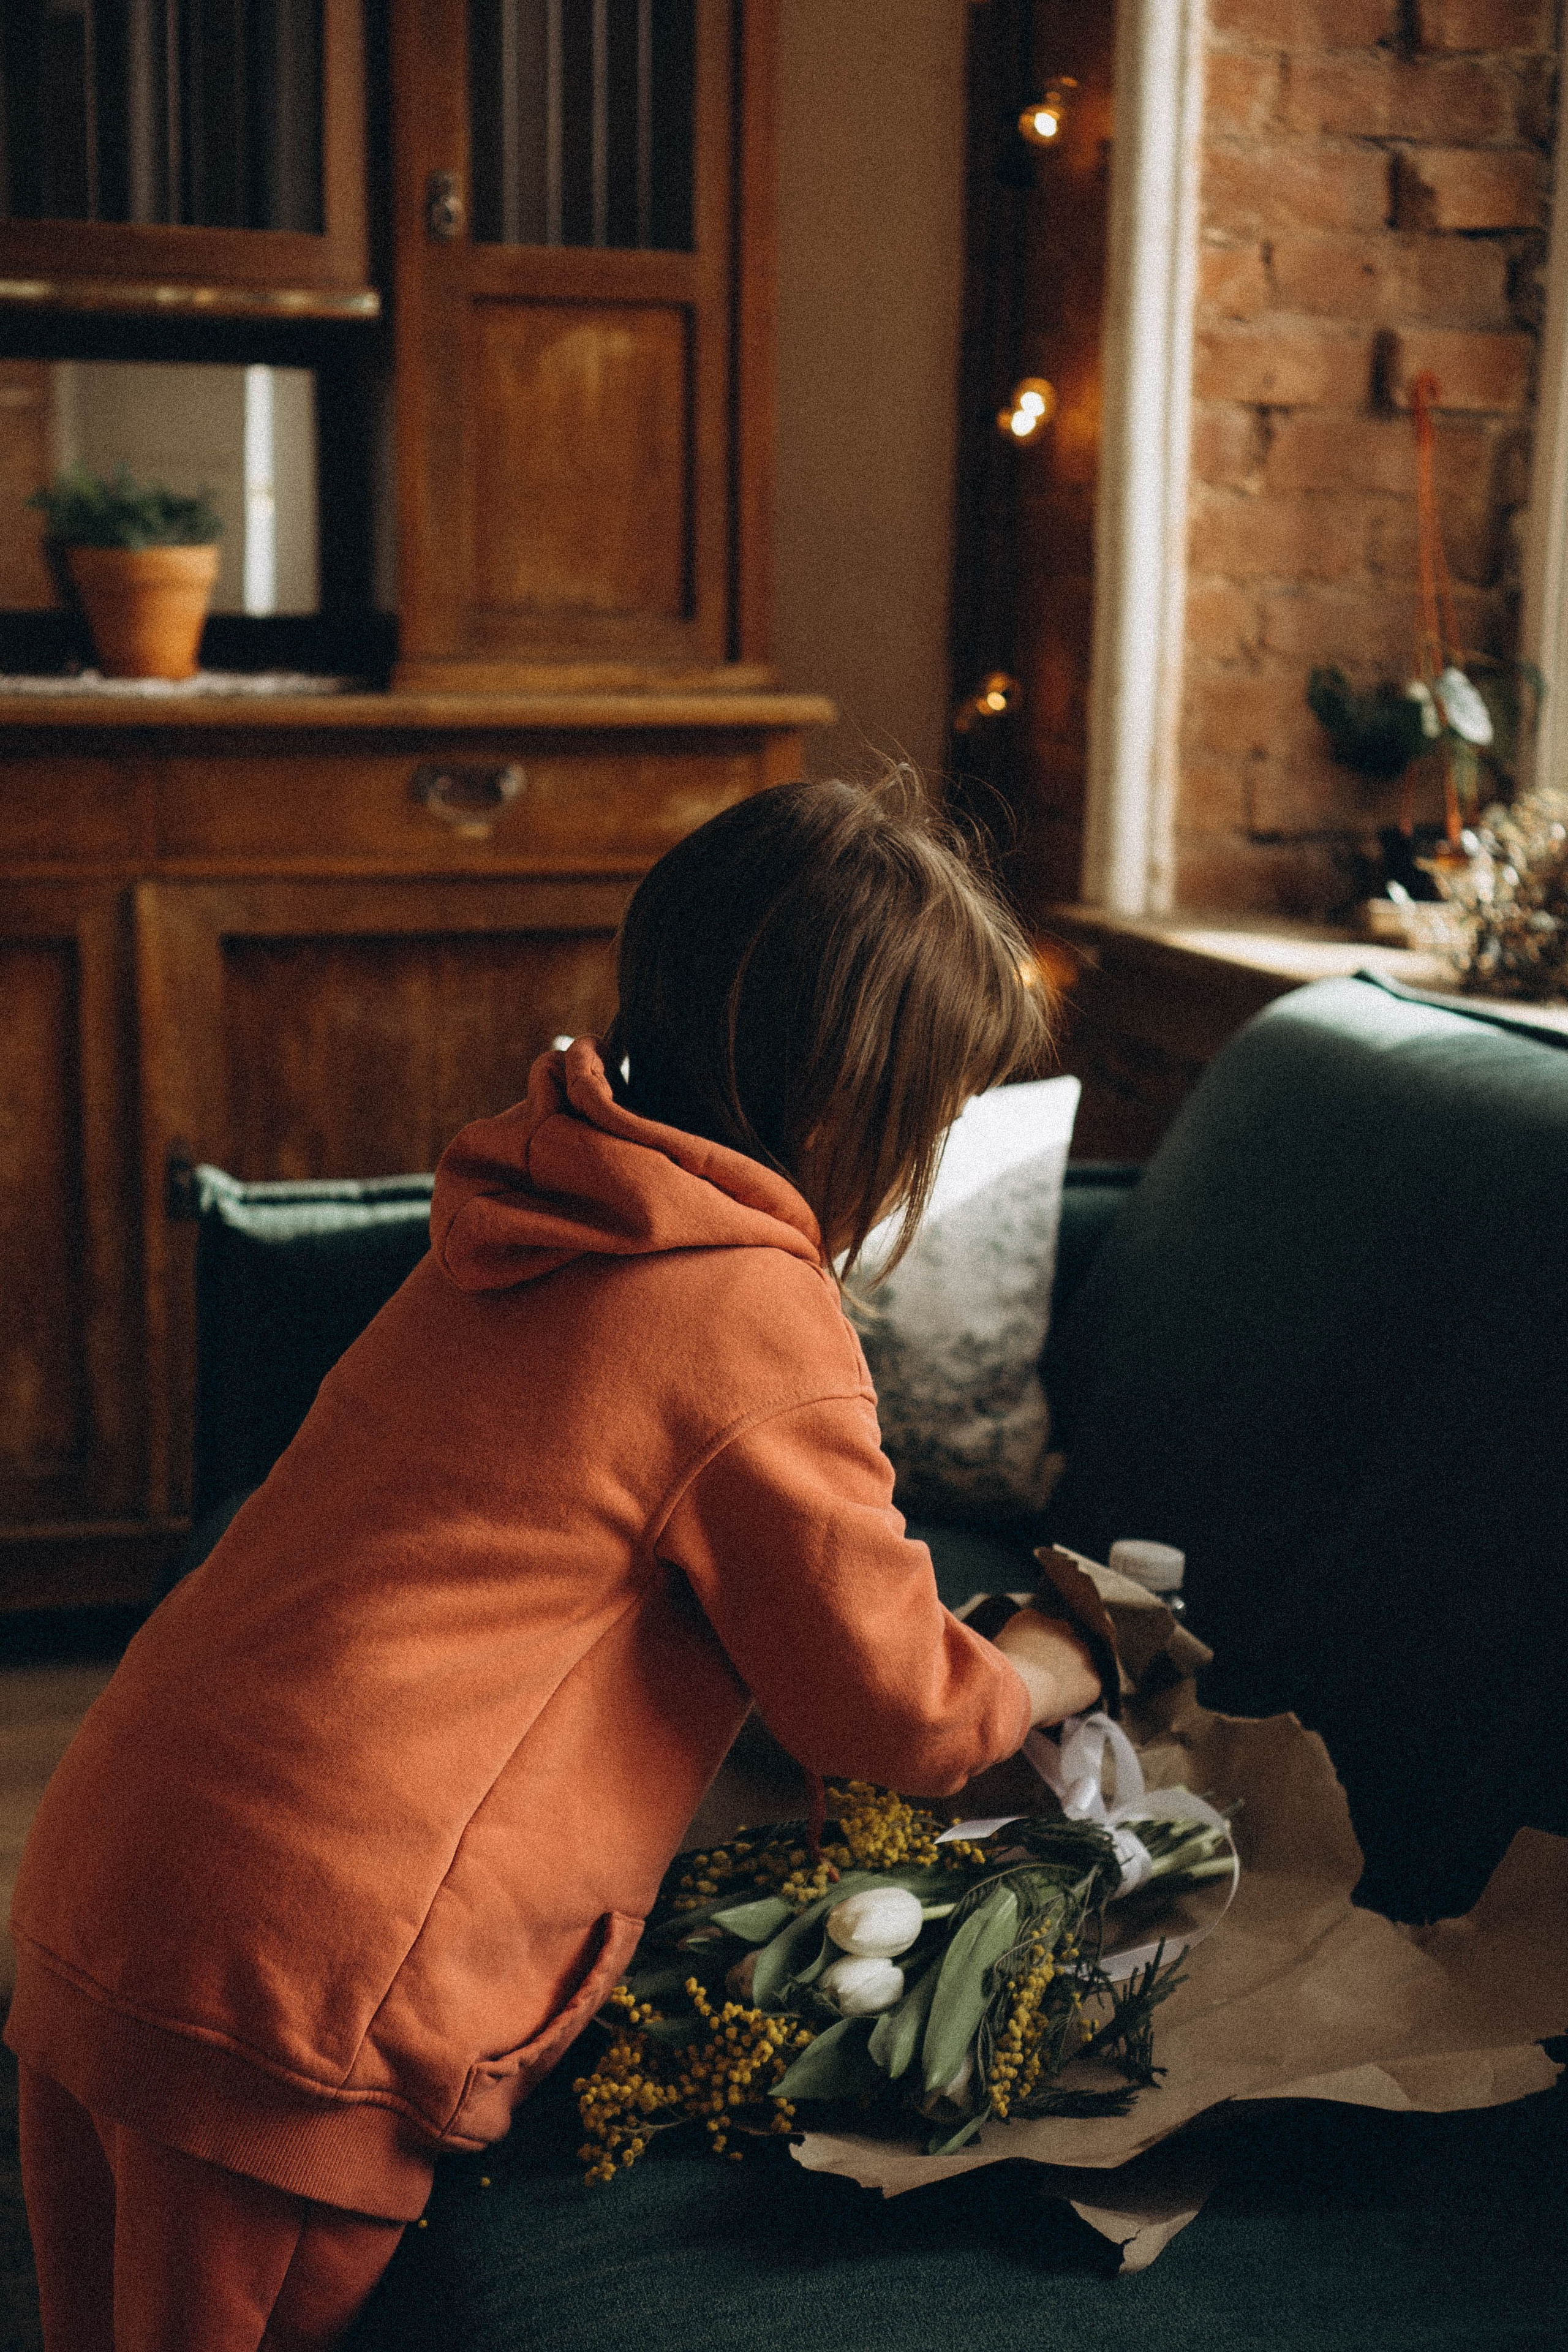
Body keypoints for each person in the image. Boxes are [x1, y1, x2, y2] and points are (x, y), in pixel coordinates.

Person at [7, 774, 1119, 2351]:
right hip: (294, 1980)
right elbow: (890, 1713)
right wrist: (1044, 1662)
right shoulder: (747, 1318)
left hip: (115, 1872)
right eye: (926, 1121)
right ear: (838, 1115)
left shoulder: (534, 1201)